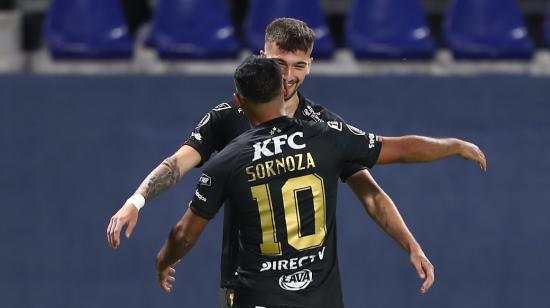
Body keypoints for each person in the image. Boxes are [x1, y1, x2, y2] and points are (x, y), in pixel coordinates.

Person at [107, 18, 485, 307]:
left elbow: (370, 193)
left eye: (299, 65)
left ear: (311, 65)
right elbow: (178, 162)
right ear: (262, 57)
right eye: (279, 63)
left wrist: (411, 245)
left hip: (311, 293)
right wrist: (135, 200)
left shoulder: (324, 125)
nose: (288, 76)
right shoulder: (237, 119)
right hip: (255, 287)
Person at [155, 56, 435, 307]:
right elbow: (400, 152)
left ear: (239, 101)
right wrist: (454, 146)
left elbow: (184, 233)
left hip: (256, 295)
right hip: (320, 298)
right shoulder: (327, 136)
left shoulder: (226, 160)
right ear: (281, 89)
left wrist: (164, 259)